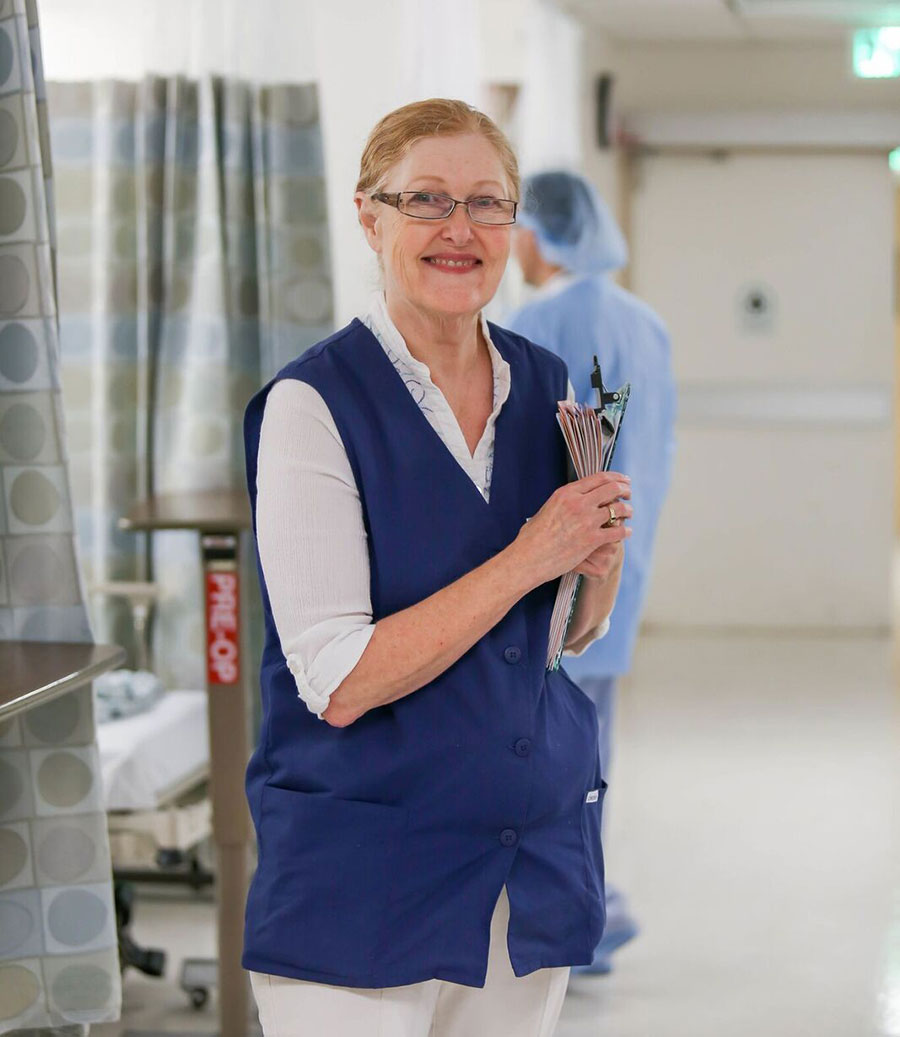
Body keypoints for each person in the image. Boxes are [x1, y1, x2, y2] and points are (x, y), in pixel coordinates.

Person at [240, 101, 634, 1036]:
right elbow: (339, 680)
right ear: (370, 217)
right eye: (427, 200)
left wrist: (596, 562)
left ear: (514, 225)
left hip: (526, 864)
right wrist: (531, 554)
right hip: (364, 871)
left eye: (487, 204)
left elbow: (566, 632)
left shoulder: (548, 385)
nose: (461, 229)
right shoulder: (314, 405)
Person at [507, 170, 676, 975]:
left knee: (548, 752)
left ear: (537, 234)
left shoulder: (535, 322)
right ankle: (595, 909)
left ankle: (577, 916)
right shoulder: (645, 323)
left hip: (553, 573)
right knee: (589, 747)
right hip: (621, 563)